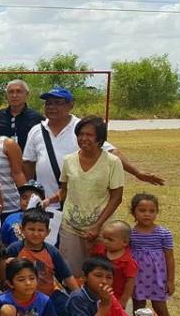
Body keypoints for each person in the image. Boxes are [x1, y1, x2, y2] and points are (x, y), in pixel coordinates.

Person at [23, 87, 162, 206]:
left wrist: (137, 172)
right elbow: (28, 162)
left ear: (70, 105)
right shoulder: (36, 130)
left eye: (57, 103)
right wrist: (31, 191)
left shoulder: (82, 128)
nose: (51, 107)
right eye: (48, 103)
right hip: (46, 202)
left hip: (76, 202)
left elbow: (111, 151)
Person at [49, 116, 124, 276]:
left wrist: (97, 226)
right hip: (71, 227)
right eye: (80, 134)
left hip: (102, 229)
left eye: (89, 135)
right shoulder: (69, 160)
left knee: (99, 274)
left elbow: (116, 197)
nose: (83, 139)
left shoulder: (113, 162)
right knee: (71, 273)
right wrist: (48, 200)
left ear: (100, 138)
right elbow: (64, 191)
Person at [6, 208, 78, 316]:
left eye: (40, 230)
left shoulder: (52, 251)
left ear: (48, 232)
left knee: (73, 309)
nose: (35, 233)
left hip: (49, 294)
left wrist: (79, 296)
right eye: (31, 229)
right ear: (22, 229)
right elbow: (4, 274)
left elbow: (67, 275)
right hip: (22, 297)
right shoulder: (14, 249)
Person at [128, 193, 175, 316]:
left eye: (151, 211)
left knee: (160, 307)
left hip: (157, 278)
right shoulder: (130, 233)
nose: (147, 214)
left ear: (156, 212)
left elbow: (169, 258)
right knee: (138, 307)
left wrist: (170, 280)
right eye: (142, 210)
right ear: (133, 212)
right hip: (137, 278)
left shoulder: (164, 233)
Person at [90, 220, 138, 308]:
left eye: (110, 239)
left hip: (117, 298)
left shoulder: (128, 262)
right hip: (98, 295)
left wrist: (124, 300)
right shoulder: (100, 251)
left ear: (125, 242)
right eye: (104, 238)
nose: (105, 241)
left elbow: (130, 283)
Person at [0, 79, 43, 150]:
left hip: (27, 159)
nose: (14, 95)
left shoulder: (37, 118)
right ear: (6, 95)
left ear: (27, 95)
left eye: (19, 91)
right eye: (11, 92)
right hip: (0, 159)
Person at [0, 180, 45, 246]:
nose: (28, 201)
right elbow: (4, 242)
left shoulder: (47, 221)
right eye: (24, 197)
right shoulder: (11, 219)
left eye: (33, 198)